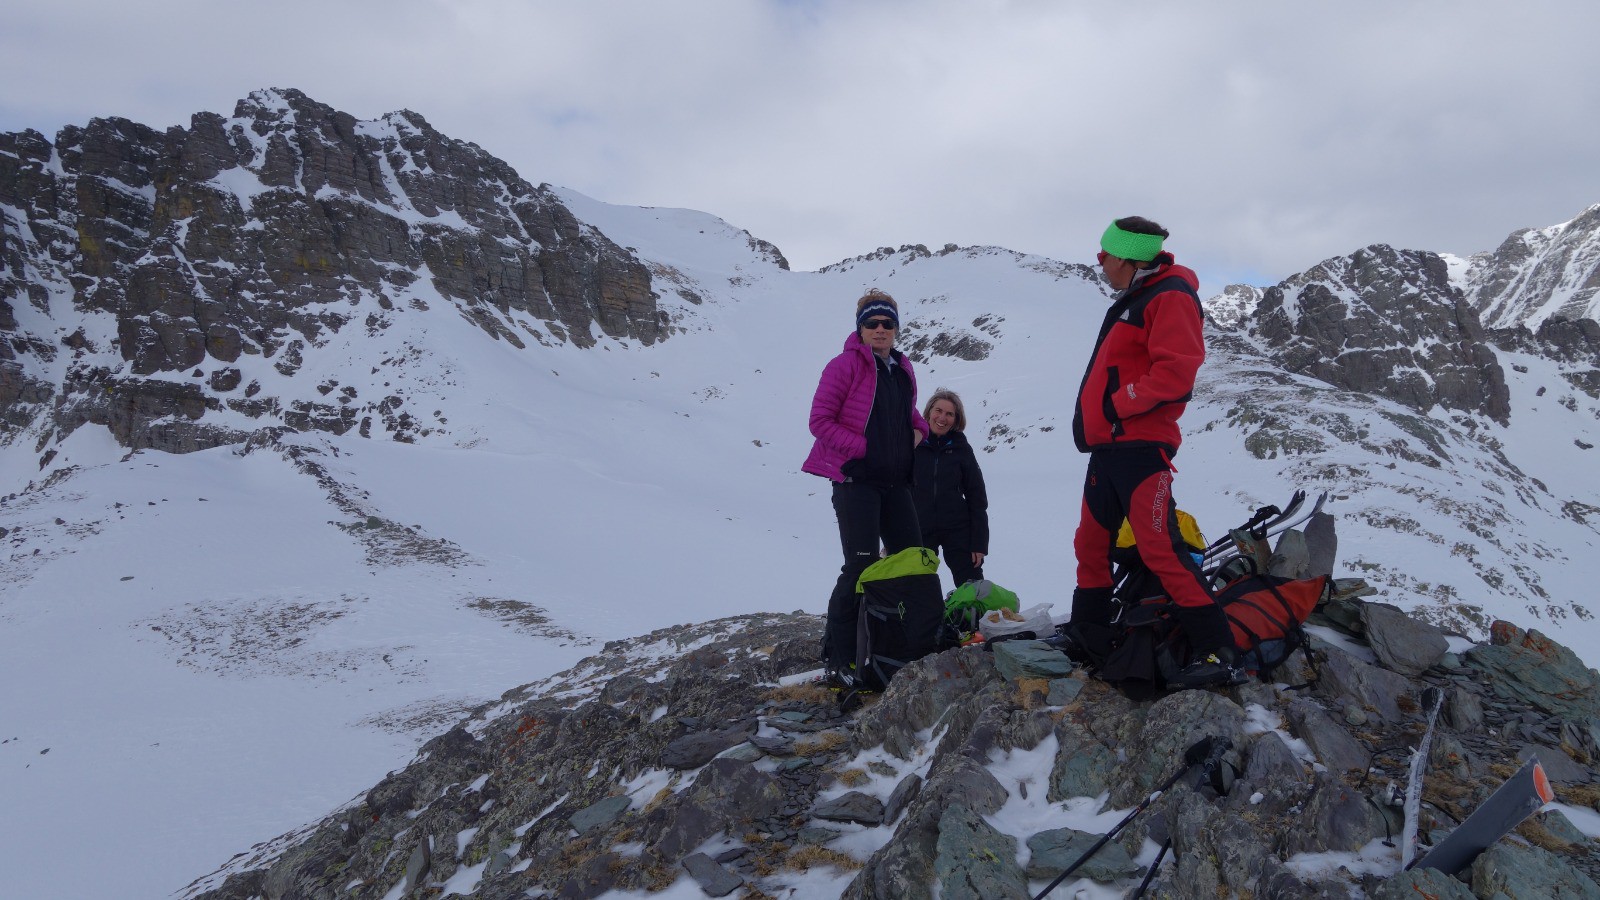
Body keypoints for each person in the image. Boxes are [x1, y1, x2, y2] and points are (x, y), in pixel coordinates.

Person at [1063, 216, 1240, 688]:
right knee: (1091, 544)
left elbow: (1177, 372)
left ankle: (1219, 651)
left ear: (1128, 258)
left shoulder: (1170, 296)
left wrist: (1117, 407)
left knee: (1160, 548)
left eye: (1105, 256)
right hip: (1109, 450)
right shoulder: (1137, 297)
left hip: (1140, 449)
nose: (1100, 263)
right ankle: (1090, 634)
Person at [802, 289, 928, 682]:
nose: (880, 329)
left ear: (895, 328)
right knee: (860, 566)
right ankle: (841, 658)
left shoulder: (902, 368)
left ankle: (903, 646)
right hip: (857, 482)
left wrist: (919, 432)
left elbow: (909, 415)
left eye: (887, 323)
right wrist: (863, 448)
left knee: (912, 559)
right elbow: (819, 421)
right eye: (872, 323)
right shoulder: (844, 366)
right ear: (860, 328)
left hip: (895, 484)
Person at [913, 389, 989, 591]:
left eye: (950, 414)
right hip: (918, 528)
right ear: (929, 412)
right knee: (918, 589)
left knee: (973, 588)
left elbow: (977, 496)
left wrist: (979, 543)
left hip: (958, 528)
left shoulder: (961, 448)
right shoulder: (912, 444)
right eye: (938, 411)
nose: (942, 418)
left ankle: (970, 622)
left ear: (956, 420)